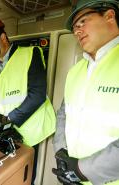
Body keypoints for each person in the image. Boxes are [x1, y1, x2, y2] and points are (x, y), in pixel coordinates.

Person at [0, 15, 56, 185]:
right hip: (6, 132)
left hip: (31, 133)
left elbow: (37, 94)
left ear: (3, 37)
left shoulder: (30, 54)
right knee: (10, 175)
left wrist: (10, 120)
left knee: (26, 176)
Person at [52, 0, 119, 184]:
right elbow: (63, 115)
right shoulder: (75, 71)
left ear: (109, 16)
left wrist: (83, 170)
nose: (77, 31)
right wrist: (60, 152)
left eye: (82, 22)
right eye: (74, 28)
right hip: (72, 175)